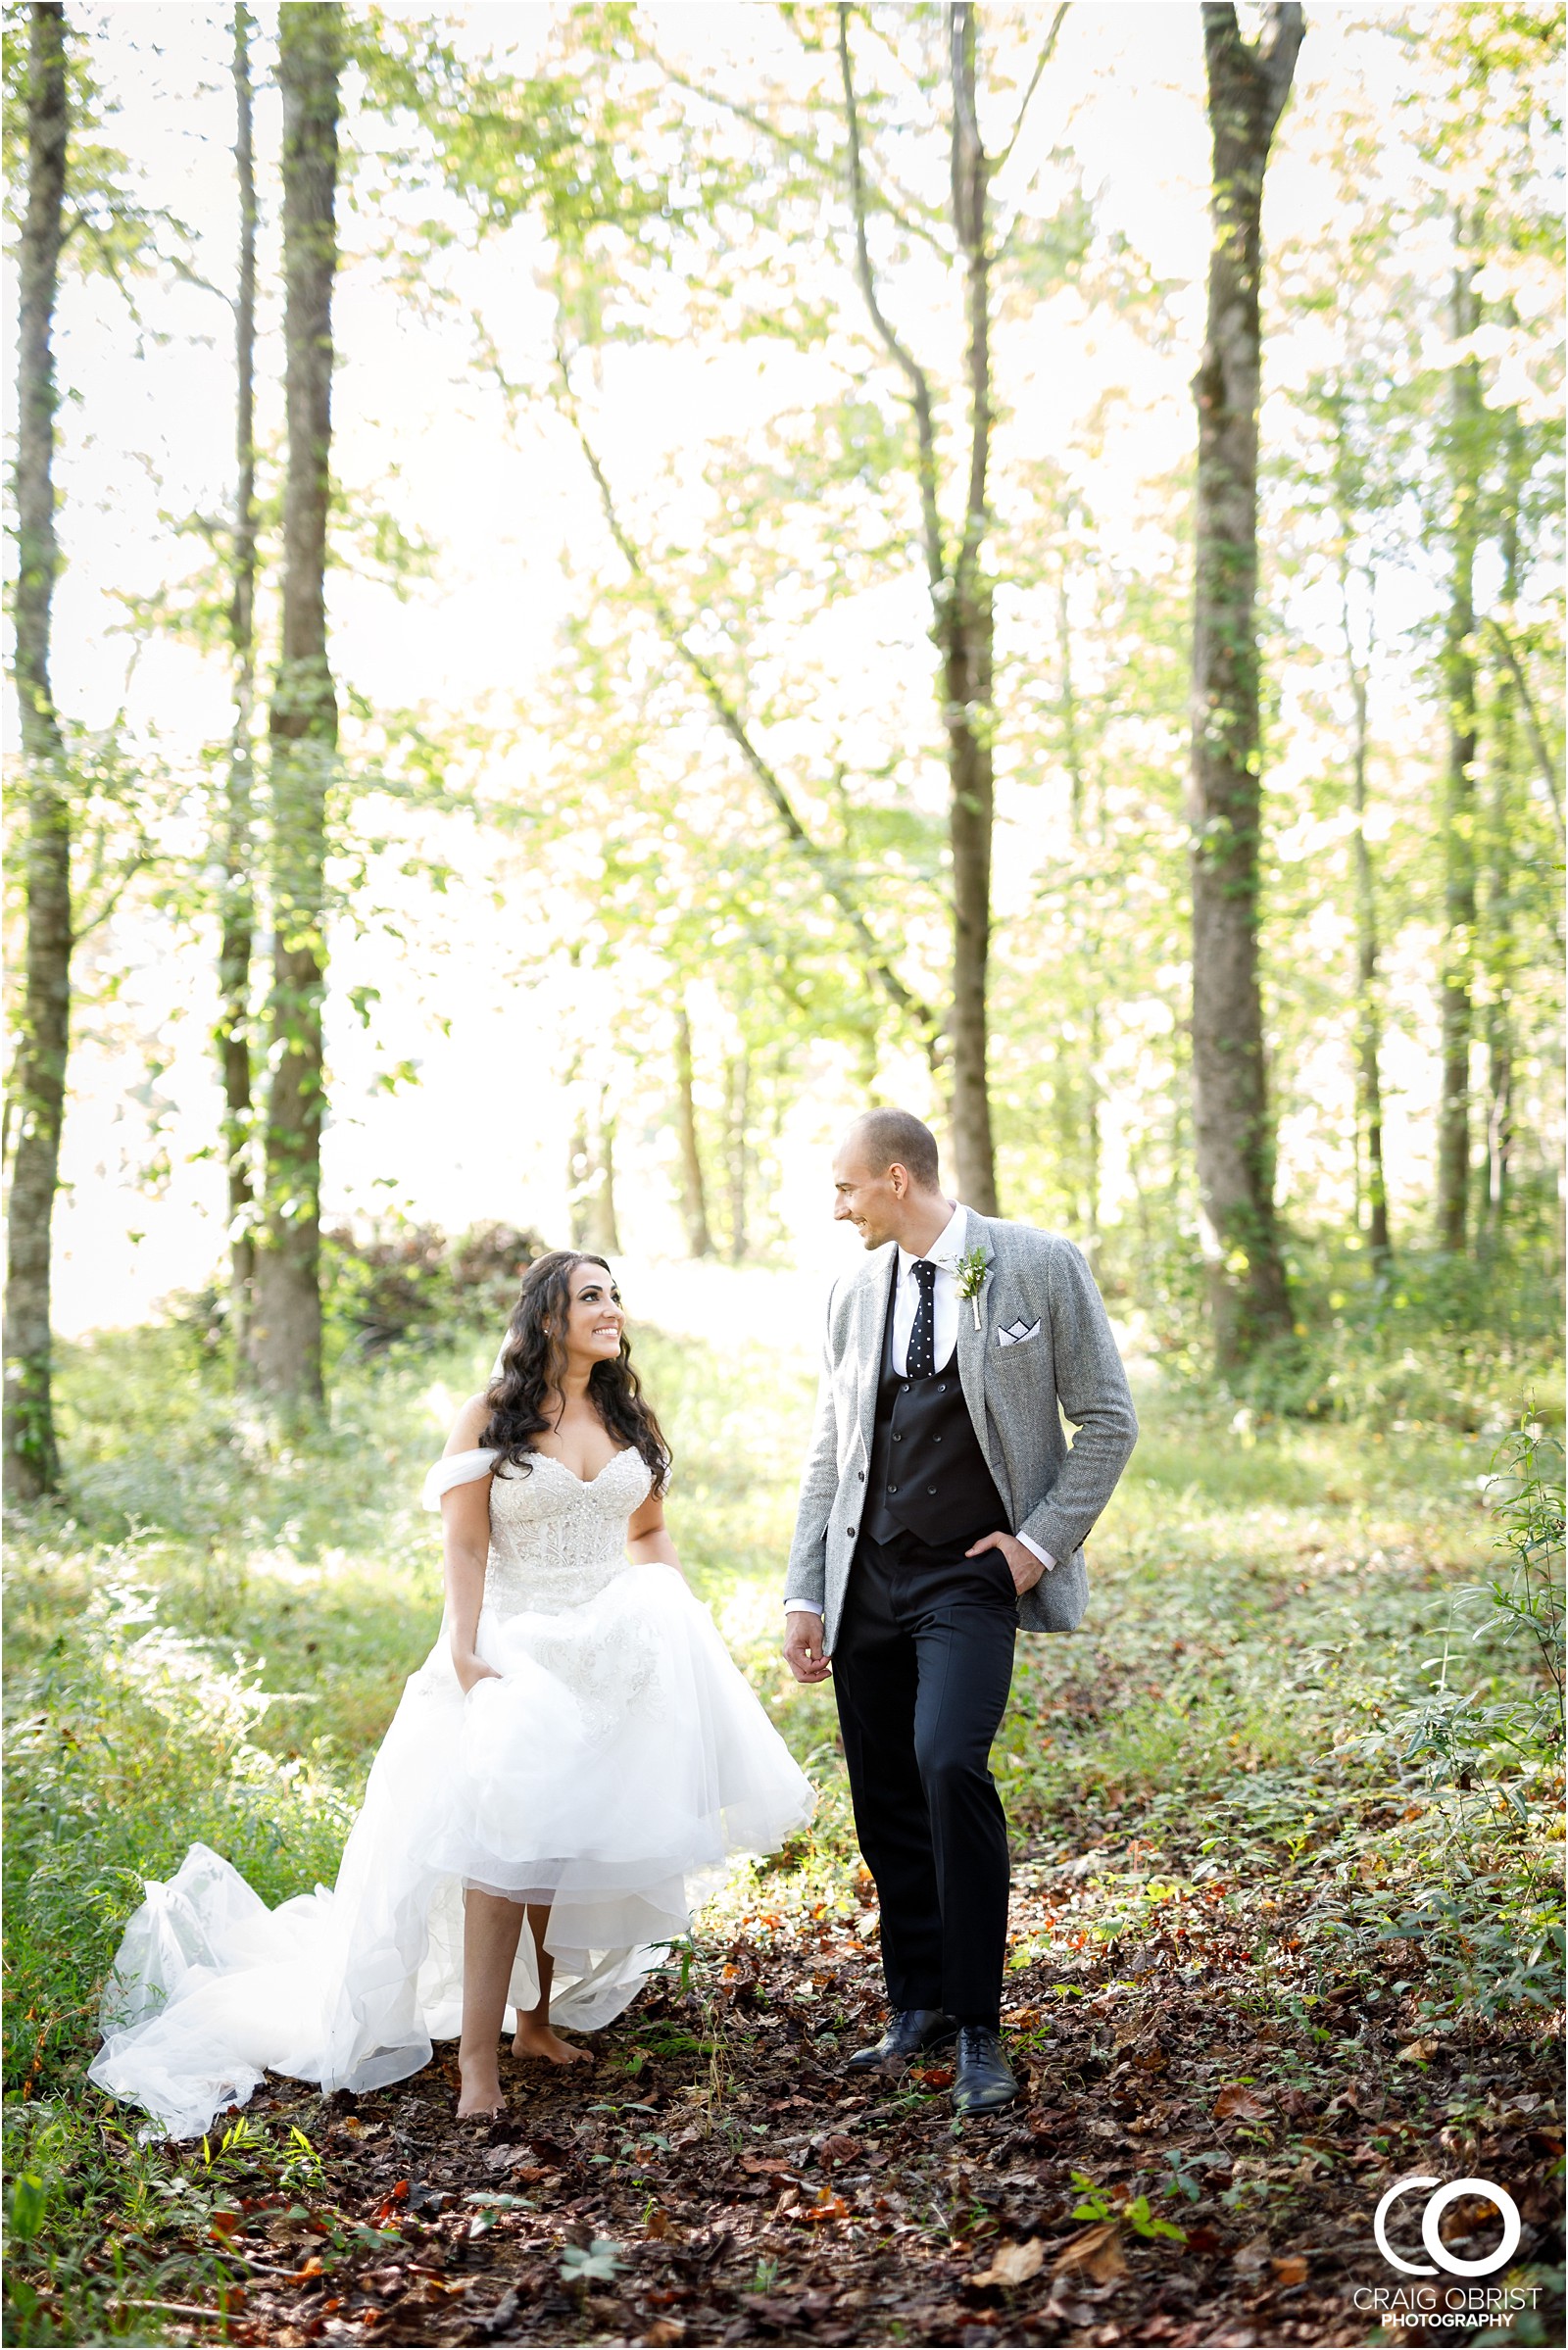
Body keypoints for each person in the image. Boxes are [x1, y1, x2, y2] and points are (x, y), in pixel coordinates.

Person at [91, 1251, 813, 2136]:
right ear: (548, 1315)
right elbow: (466, 1547)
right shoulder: (490, 1416)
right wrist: (465, 1648)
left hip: (612, 1649)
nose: (612, 1310)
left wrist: (676, 1616)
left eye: (615, 1296)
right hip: (515, 1645)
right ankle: (477, 2053)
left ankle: (536, 2026)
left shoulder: (625, 1414)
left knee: (565, 1838)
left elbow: (651, 1530)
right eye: (592, 1297)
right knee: (501, 1849)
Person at [783, 1110, 1137, 2115]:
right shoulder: (852, 1291)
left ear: (897, 1178)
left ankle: (980, 2023)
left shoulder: (1036, 1263)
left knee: (948, 1761)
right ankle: (918, 2003)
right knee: (887, 1795)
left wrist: (1035, 1544)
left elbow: (1107, 1419)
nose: (838, 1205)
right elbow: (831, 1452)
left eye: (846, 1187)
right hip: (868, 1581)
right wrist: (805, 1589)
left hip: (971, 1578)